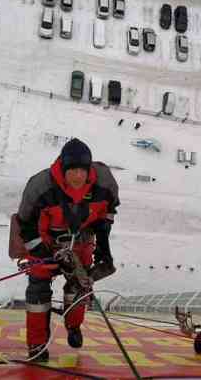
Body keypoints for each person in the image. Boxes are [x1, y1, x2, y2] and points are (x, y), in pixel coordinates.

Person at [9, 138, 120, 362]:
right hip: (44, 242)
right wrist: (42, 252)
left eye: (82, 170)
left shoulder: (105, 183)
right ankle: (37, 344)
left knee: (79, 285)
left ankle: (73, 326)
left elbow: (107, 213)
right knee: (38, 292)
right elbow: (26, 223)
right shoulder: (40, 186)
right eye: (73, 170)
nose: (78, 176)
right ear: (63, 168)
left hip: (81, 242)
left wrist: (104, 246)